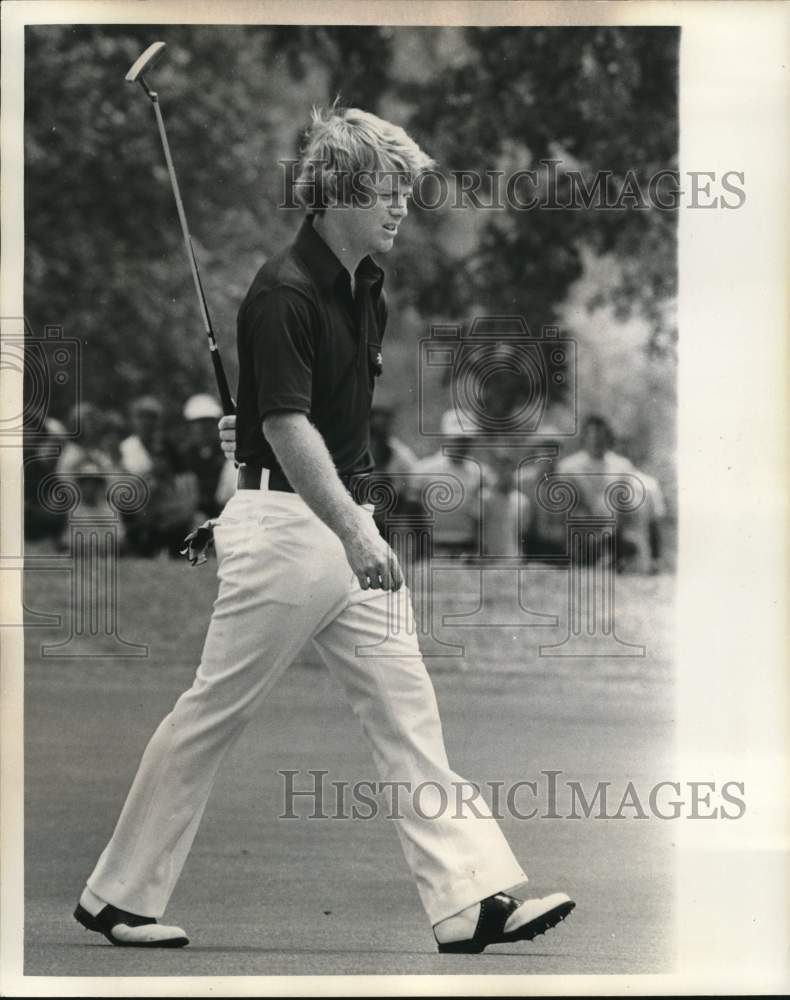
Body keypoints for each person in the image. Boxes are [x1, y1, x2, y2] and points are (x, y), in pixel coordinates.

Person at [74, 106, 574, 953]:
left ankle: (468, 901)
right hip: (293, 532)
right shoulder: (284, 290)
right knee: (214, 712)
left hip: (341, 526)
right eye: (387, 191)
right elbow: (293, 432)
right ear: (338, 189)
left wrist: (295, 461)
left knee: (406, 709)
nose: (400, 209)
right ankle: (115, 896)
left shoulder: (363, 284)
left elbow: (309, 420)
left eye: (406, 194)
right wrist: (345, 522)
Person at [119, 396, 197, 557]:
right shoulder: (127, 447)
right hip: (136, 504)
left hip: (166, 505)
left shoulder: (167, 446)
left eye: (152, 417)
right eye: (142, 416)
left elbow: (186, 479)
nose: (147, 422)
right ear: (134, 420)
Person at [410, 409, 491, 556]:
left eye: (467, 440)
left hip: (467, 546)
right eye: (458, 439)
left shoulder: (480, 472)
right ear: (446, 437)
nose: (462, 444)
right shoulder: (424, 470)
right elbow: (412, 514)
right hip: (434, 546)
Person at [180, 393, 229, 521]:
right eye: (199, 423)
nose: (203, 428)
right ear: (190, 426)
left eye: (208, 422)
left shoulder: (227, 453)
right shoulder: (184, 456)